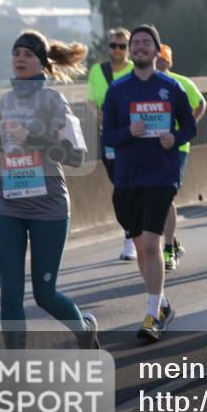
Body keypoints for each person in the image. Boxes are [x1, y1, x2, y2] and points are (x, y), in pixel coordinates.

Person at [0, 30, 99, 350]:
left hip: (48, 206)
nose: (19, 58)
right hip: (8, 203)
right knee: (9, 291)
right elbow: (11, 146)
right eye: (16, 52)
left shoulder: (54, 100)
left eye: (27, 54)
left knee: (44, 295)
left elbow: (76, 155)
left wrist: (31, 137)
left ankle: (83, 329)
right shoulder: (5, 101)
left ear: (41, 63)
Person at [102, 24, 196, 342]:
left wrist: (176, 136)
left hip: (161, 176)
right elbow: (107, 136)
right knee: (143, 247)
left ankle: (152, 316)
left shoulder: (171, 88)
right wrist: (129, 132)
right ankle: (163, 303)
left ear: (156, 51)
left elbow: (190, 126)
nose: (140, 47)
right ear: (130, 51)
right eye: (135, 43)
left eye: (146, 42)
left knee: (152, 245)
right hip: (127, 179)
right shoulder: (118, 90)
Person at [154, 44, 206, 271]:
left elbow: (202, 103)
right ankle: (172, 239)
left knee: (166, 195)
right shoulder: (143, 83)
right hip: (150, 147)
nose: (161, 63)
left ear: (170, 62)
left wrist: (188, 127)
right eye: (158, 59)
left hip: (177, 147)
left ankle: (168, 247)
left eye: (165, 60)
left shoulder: (180, 82)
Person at [87, 27, 136, 261]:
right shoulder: (98, 71)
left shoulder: (135, 71)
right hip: (108, 137)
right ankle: (134, 230)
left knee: (130, 184)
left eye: (122, 46)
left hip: (135, 137)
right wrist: (97, 114)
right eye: (113, 46)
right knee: (119, 183)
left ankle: (132, 236)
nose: (117, 50)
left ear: (128, 48)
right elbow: (90, 100)